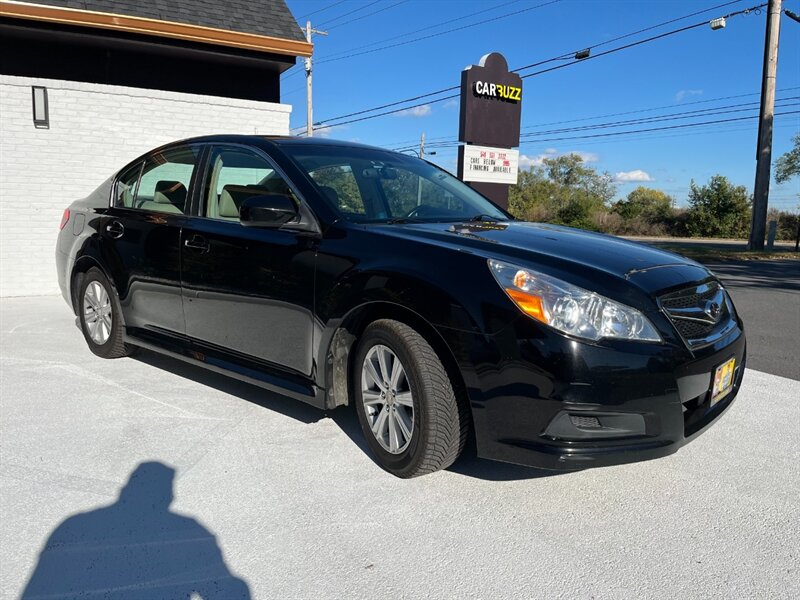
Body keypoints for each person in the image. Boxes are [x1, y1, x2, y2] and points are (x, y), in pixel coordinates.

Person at [22, 461, 250, 599]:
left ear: (125, 490)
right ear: (169, 496)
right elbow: (222, 589)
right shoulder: (190, 530)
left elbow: (39, 589)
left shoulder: (74, 526)